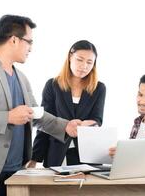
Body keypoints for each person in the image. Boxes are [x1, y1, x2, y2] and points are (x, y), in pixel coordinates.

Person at [0, 14, 80, 196]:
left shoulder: (21, 78)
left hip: (17, 171)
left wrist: (66, 126)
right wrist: (8, 117)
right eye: (29, 42)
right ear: (14, 40)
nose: (31, 49)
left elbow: (36, 115)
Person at [26, 40, 106, 168]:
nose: (84, 66)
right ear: (70, 57)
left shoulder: (99, 88)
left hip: (88, 154)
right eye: (80, 60)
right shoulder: (52, 85)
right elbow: (46, 123)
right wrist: (35, 158)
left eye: (89, 62)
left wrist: (85, 125)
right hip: (57, 153)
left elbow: (97, 119)